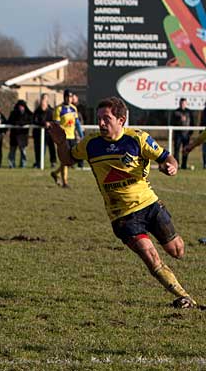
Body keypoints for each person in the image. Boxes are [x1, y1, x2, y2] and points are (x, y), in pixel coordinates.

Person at [50, 96, 197, 309]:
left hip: (150, 205)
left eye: (106, 119)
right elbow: (67, 159)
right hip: (122, 216)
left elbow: (167, 157)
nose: (101, 123)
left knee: (177, 251)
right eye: (99, 118)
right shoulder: (91, 144)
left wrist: (170, 166)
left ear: (121, 120)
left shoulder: (137, 139)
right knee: (149, 255)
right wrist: (61, 142)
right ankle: (184, 297)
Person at [50, 89, 80, 187]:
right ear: (64, 97)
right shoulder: (59, 109)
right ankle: (65, 182)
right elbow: (56, 125)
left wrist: (80, 134)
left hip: (72, 136)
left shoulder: (74, 108)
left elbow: (77, 123)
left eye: (71, 97)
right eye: (67, 97)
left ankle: (55, 173)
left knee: (71, 160)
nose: (69, 99)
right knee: (64, 159)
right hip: (63, 138)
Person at [32, 94, 56, 169]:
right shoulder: (37, 111)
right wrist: (43, 123)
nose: (43, 106)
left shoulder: (51, 112)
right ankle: (38, 162)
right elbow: (34, 121)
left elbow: (54, 121)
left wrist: (49, 124)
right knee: (39, 149)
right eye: (42, 104)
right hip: (38, 134)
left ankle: (53, 162)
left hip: (49, 134)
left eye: (44, 104)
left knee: (51, 148)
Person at [7, 100, 33, 169]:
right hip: (14, 136)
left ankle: (23, 165)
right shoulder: (13, 113)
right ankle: (11, 165)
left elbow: (31, 120)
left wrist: (22, 123)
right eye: (20, 106)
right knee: (12, 151)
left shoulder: (28, 114)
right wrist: (17, 123)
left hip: (23, 136)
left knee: (23, 152)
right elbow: (10, 121)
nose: (21, 108)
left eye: (22, 106)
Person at [171, 98, 193, 170]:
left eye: (184, 103)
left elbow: (192, 122)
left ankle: (184, 165)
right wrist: (179, 120)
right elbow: (172, 122)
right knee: (176, 150)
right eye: (181, 103)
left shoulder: (189, 112)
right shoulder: (176, 112)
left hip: (186, 134)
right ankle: (176, 165)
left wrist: (190, 133)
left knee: (185, 150)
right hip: (178, 134)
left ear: (186, 103)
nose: (182, 104)